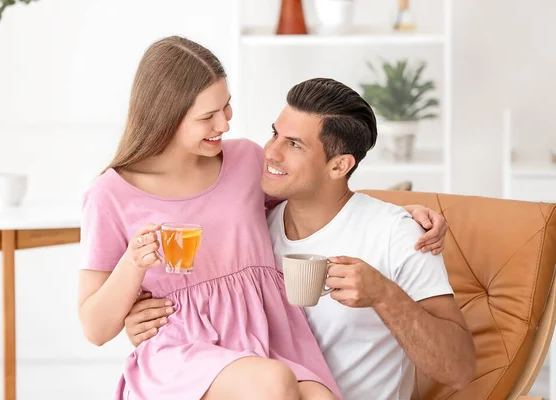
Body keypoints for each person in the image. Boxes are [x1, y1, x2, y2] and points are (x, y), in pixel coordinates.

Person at [124, 77, 476, 399]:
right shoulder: (253, 232)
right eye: (274, 134)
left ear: (340, 166)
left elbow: (459, 370)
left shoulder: (397, 234)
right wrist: (147, 318)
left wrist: (384, 296)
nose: (271, 152)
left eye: (293, 144)